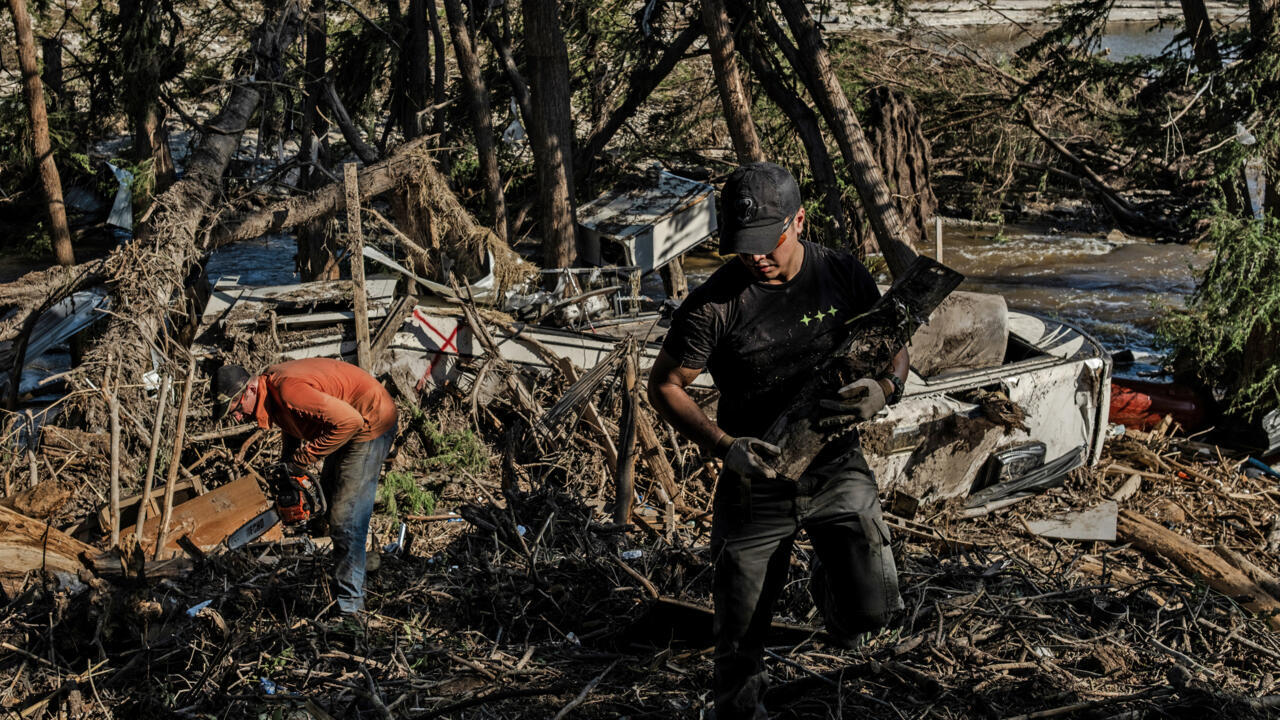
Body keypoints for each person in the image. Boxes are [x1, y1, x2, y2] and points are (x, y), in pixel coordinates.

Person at [647, 162, 907, 719]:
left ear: (799, 220)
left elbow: (893, 338)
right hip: (756, 477)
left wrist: (887, 387)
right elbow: (663, 385)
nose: (756, 257)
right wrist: (724, 446)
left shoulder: (841, 273)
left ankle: (829, 576)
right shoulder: (714, 305)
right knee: (740, 632)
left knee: (873, 610)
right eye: (744, 247)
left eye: (768, 243)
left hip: (836, 464)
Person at [212, 357, 397, 616]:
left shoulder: (289, 390)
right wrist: (288, 464)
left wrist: (302, 460)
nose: (239, 417)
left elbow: (349, 422)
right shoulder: (273, 392)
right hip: (351, 423)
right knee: (330, 500)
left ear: (251, 389)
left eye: (236, 408)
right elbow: (294, 424)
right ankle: (358, 565)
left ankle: (350, 609)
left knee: (346, 517)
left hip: (370, 421)